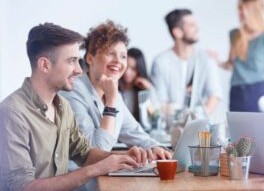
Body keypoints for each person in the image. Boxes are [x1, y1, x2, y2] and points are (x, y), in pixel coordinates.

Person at [0, 23, 150, 191]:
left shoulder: (62, 106)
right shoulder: (12, 113)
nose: (79, 70)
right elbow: (23, 187)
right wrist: (98, 168)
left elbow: (84, 153)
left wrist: (121, 157)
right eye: (72, 61)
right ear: (44, 65)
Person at [60, 21, 171, 158]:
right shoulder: (72, 91)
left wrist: (156, 147)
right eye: (111, 53)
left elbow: (135, 133)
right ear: (90, 59)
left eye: (123, 56)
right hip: (79, 178)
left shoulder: (114, 96)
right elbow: (94, 153)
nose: (118, 61)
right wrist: (111, 103)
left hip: (103, 176)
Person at [212, 0, 264, 112]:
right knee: (237, 129)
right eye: (238, 8)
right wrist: (217, 62)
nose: (239, 12)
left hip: (259, 93)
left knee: (259, 129)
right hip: (236, 93)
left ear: (253, 11)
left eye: (242, 8)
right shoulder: (235, 35)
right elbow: (231, 65)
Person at [151, 9, 222, 117]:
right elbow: (160, 101)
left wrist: (199, 120)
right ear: (177, 32)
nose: (197, 28)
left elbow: (214, 94)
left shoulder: (206, 59)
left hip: (200, 127)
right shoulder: (160, 62)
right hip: (170, 129)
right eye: (192, 25)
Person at [119, 47, 154, 122]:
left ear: (139, 70)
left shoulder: (143, 93)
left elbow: (154, 115)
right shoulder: (115, 88)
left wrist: (150, 90)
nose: (127, 72)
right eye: (126, 66)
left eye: (133, 69)